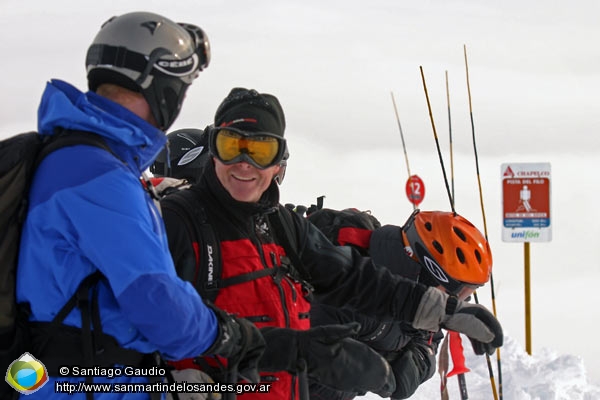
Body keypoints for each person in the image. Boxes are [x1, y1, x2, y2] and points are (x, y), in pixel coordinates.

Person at [160, 87, 503, 400]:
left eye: (261, 150)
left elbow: (353, 278)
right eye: (232, 146)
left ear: (278, 161)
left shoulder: (280, 225)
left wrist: (441, 310)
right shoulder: (175, 222)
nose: (245, 164)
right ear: (213, 151)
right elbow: (127, 338)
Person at [15, 12, 265, 400]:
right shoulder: (99, 177)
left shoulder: (68, 158)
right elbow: (160, 308)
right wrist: (229, 334)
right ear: (162, 92)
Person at [305, 207, 493, 400]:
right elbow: (305, 366)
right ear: (431, 274)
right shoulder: (351, 289)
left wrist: (415, 365)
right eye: (460, 292)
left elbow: (429, 339)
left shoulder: (416, 295)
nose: (461, 300)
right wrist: (373, 370)